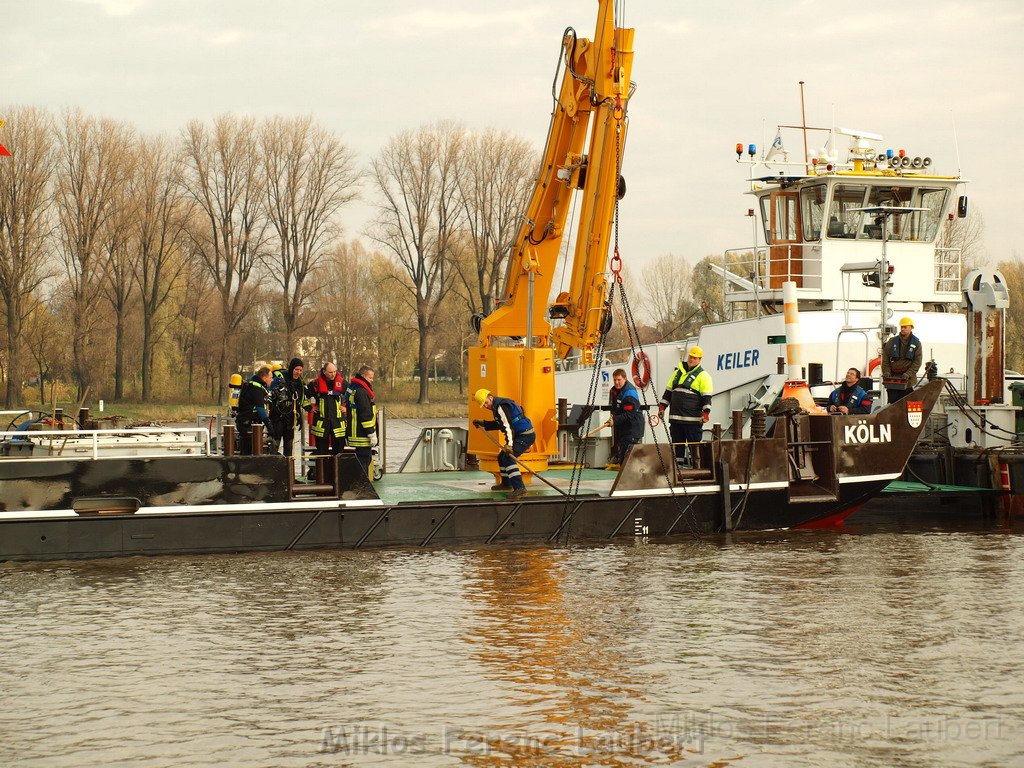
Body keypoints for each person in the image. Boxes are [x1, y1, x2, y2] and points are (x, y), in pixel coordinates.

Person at [472, 388, 536, 498]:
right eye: (484, 405)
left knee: (508, 458)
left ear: (490, 397)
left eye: (486, 403)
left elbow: (508, 427)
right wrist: (484, 424)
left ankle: (519, 488)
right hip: (521, 434)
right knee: (501, 457)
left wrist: (509, 445)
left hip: (525, 435)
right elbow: (500, 424)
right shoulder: (497, 407)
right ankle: (507, 484)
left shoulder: (501, 407)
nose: (486, 406)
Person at [657, 345, 713, 468]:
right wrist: (662, 408)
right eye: (691, 356)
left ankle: (698, 471)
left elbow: (706, 398)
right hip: (676, 419)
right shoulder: (677, 373)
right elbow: (668, 393)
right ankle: (678, 470)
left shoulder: (704, 376)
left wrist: (706, 414)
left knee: (695, 446)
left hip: (692, 420)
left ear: (700, 360)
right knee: (677, 445)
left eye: (695, 358)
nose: (692, 359)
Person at [307, 362, 346, 463]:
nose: (333, 374)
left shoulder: (343, 383)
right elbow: (302, 395)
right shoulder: (315, 384)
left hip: (338, 424)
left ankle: (337, 476)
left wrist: (347, 408)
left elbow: (354, 396)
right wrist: (309, 408)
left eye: (334, 372)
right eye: (330, 372)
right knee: (321, 453)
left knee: (339, 453)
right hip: (321, 424)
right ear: (324, 372)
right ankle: (322, 476)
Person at [606, 368, 644, 469]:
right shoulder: (614, 391)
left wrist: (615, 420)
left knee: (626, 459)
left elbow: (629, 414)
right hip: (623, 428)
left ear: (625, 379)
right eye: (615, 380)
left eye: (619, 380)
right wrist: (611, 418)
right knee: (624, 458)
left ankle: (631, 481)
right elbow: (614, 409)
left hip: (633, 428)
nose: (617, 382)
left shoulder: (629, 393)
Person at [270, 357, 306, 458]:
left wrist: (300, 418)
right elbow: (269, 392)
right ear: (291, 369)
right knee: (274, 446)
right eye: (296, 370)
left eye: (300, 370)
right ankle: (272, 469)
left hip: (290, 419)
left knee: (289, 448)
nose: (298, 372)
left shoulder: (300, 383)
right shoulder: (281, 378)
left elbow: (299, 401)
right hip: (277, 418)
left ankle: (288, 471)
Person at [881, 317, 922, 404]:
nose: (902, 329)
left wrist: (908, 374)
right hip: (892, 379)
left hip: (908, 381)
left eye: (905, 327)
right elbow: (885, 359)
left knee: (907, 405)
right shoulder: (892, 342)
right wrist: (886, 372)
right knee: (892, 406)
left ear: (911, 327)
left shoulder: (917, 343)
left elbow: (917, 362)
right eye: (901, 327)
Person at [346, 365, 378, 474]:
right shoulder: (362, 392)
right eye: (370, 378)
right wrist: (371, 434)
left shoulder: (354, 388)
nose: (372, 380)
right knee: (363, 461)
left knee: (363, 460)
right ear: (363, 376)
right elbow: (366, 414)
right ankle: (360, 487)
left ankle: (359, 485)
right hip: (362, 434)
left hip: (355, 432)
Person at [235, 366, 274, 455]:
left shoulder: (254, 384)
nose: (272, 380)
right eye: (270, 378)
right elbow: (260, 408)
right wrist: (268, 424)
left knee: (248, 451)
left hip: (246, 422)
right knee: (248, 452)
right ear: (264, 377)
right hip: (247, 424)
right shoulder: (256, 388)